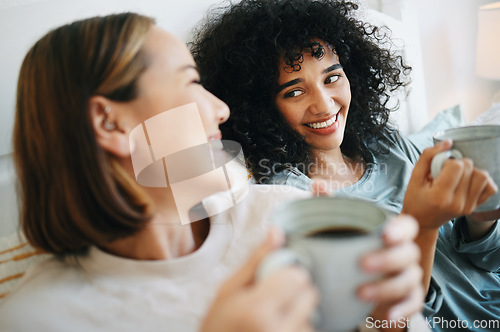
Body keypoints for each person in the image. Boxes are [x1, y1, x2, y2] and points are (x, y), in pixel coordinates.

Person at [0, 12, 425, 332]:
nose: (220, 110)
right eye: (190, 85)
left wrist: (384, 321)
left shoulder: (280, 218)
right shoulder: (37, 319)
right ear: (111, 124)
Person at [190, 0, 500, 330]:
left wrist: (481, 216)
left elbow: (486, 260)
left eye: (332, 77)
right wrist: (421, 223)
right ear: (262, 110)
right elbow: (383, 319)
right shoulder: (291, 198)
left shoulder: (386, 144)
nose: (324, 105)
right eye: (294, 92)